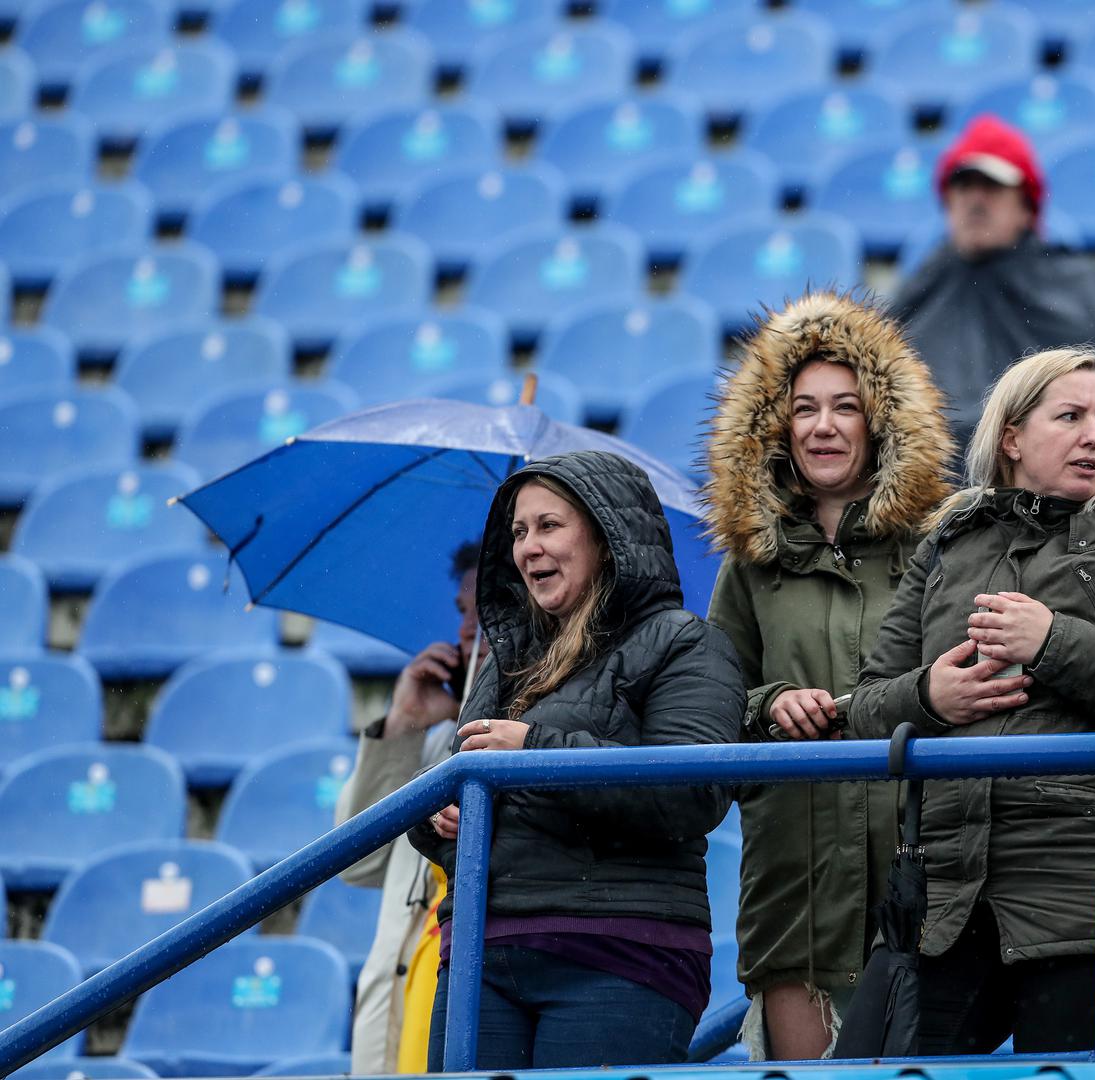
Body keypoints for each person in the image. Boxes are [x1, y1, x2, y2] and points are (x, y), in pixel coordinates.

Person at [848, 346, 1095, 1054]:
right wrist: (930, 696)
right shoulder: (947, 546)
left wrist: (1053, 640)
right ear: (1011, 438)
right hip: (949, 896)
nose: (1094, 437)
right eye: (1071, 416)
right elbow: (863, 707)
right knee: (866, 1068)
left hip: (1092, 891)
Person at [409, 450, 745, 1071]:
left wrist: (532, 751)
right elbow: (453, 791)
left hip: (619, 951)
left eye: (549, 526)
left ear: (606, 534)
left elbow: (690, 793)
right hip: (483, 951)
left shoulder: (686, 644)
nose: (528, 547)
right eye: (517, 531)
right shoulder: (502, 660)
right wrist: (439, 818)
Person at [703, 292, 954, 1059]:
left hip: (925, 879)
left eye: (845, 406)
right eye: (803, 407)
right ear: (775, 426)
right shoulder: (748, 566)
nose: (822, 426)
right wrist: (772, 703)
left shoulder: (941, 547)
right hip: (794, 885)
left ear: (879, 422)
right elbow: (708, 704)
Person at [888, 114, 1095, 446]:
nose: (975, 199)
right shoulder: (918, 292)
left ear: (1027, 207)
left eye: (992, 186)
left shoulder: (1079, 288)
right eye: (963, 185)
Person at [336, 541, 482, 1075]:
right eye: (464, 613)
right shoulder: (429, 742)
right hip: (396, 1028)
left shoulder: (541, 738)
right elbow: (357, 863)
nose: (469, 629)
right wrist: (403, 724)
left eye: (487, 607)